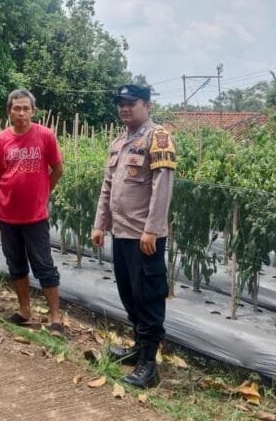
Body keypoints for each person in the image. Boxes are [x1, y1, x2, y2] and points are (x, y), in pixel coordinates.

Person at [90, 83, 176, 388]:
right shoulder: (119, 142)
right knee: (130, 294)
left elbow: (161, 187)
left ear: (147, 105)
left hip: (144, 236)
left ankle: (149, 365)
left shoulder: (159, 138)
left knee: (149, 296)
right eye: (120, 103)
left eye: (131, 103)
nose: (125, 108)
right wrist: (100, 224)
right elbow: (108, 186)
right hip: (122, 234)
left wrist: (152, 229)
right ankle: (139, 348)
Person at [0, 89, 65, 336]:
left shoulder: (45, 136)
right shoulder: (0, 141)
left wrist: (44, 193)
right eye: (16, 108)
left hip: (35, 216)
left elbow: (58, 169)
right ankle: (24, 311)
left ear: (33, 110)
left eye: (26, 108)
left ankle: (55, 319)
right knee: (16, 264)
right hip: (7, 215)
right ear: (9, 111)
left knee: (44, 265)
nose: (21, 113)